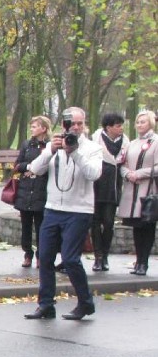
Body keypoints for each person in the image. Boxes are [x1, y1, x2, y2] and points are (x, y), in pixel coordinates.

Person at [24, 107, 102, 321]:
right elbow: (34, 169)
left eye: (79, 123)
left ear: (85, 124)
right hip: (52, 209)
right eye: (71, 124)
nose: (75, 128)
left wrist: (74, 152)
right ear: (63, 125)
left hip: (79, 210)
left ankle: (85, 303)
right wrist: (50, 150)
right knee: (46, 257)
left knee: (70, 259)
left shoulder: (92, 148)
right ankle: (46, 304)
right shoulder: (53, 145)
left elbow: (94, 174)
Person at [117, 110, 157, 275]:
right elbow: (122, 163)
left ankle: (143, 262)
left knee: (147, 226)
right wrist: (127, 174)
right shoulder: (131, 143)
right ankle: (138, 260)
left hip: (148, 190)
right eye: (138, 122)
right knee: (136, 227)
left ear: (151, 123)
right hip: (131, 190)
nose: (139, 125)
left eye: (143, 122)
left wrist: (139, 174)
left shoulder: (156, 142)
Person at [90, 113, 128, 272]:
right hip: (95, 188)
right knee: (94, 224)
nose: (121, 128)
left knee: (109, 223)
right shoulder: (95, 139)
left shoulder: (125, 143)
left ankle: (105, 254)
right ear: (108, 127)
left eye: (121, 125)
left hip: (113, 189)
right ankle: (98, 256)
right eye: (118, 125)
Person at [13, 116, 52, 268]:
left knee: (41, 226)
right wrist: (30, 167)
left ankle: (40, 256)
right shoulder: (27, 145)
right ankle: (27, 253)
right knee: (26, 226)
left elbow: (50, 166)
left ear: (43, 128)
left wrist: (38, 170)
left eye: (35, 126)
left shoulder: (49, 146)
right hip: (25, 190)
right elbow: (18, 165)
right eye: (31, 126)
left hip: (42, 190)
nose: (32, 129)